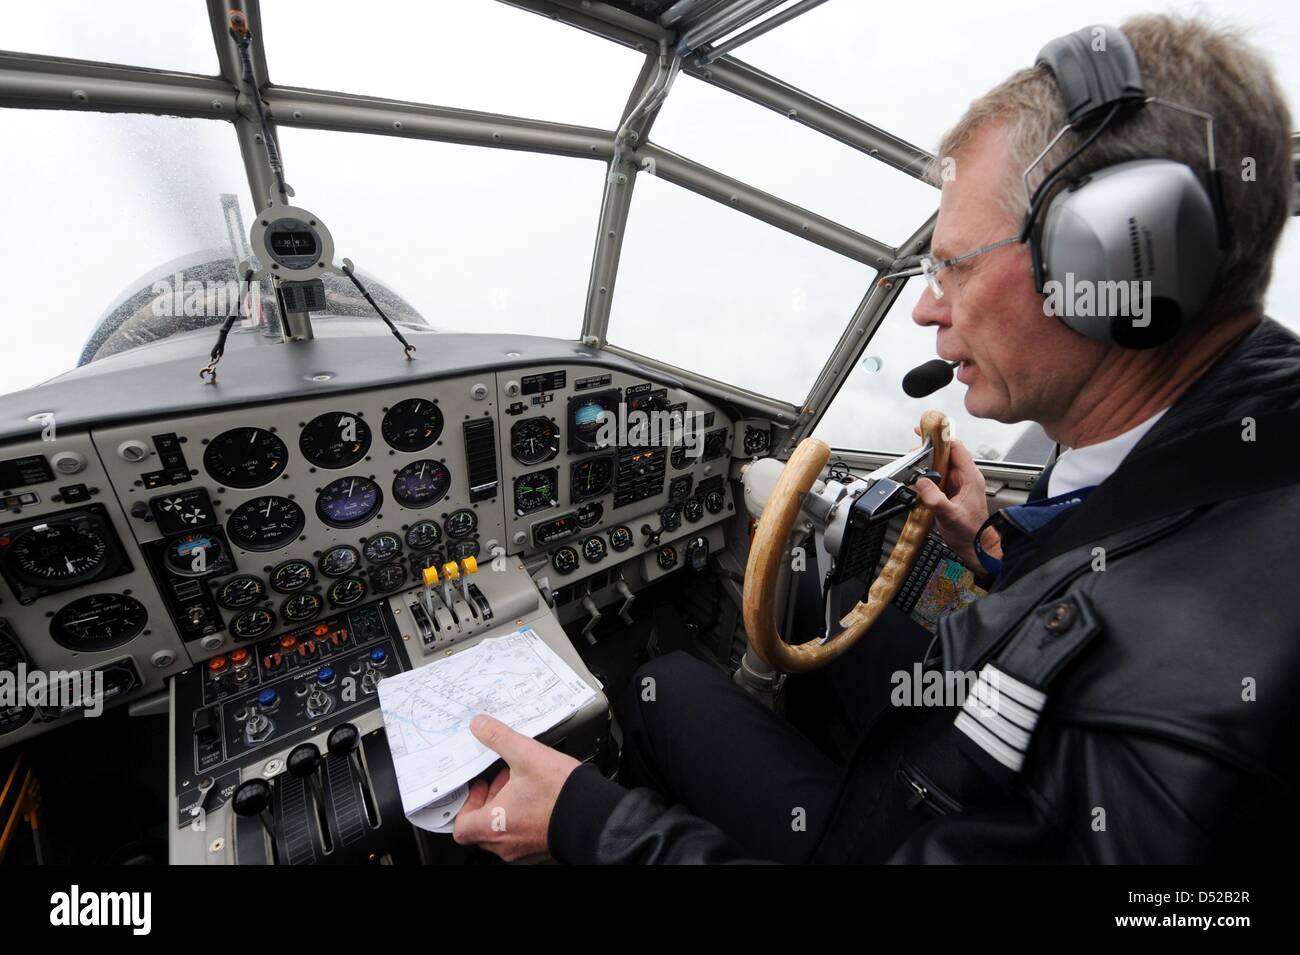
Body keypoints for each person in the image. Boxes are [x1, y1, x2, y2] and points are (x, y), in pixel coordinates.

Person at [453, 14, 1299, 863]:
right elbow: (1110, 566)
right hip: (947, 769)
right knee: (847, 591)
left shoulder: (1174, 736)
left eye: (953, 264)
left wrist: (590, 824)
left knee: (658, 680)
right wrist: (994, 547)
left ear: (1120, 260)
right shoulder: (1179, 453)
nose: (927, 306)